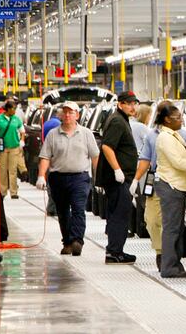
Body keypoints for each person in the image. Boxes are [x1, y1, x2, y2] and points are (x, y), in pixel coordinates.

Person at [130, 100, 186, 271]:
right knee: (152, 220)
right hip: (156, 180)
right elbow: (145, 159)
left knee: (171, 224)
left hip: (175, 182)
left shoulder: (184, 135)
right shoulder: (152, 135)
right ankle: (163, 253)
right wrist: (136, 179)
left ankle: (166, 256)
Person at [36, 102, 99, 256]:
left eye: (71, 112)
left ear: (77, 115)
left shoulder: (86, 134)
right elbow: (45, 157)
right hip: (58, 178)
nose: (67, 115)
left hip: (80, 178)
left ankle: (77, 240)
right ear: (61, 115)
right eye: (65, 112)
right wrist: (41, 176)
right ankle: (67, 242)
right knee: (63, 212)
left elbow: (95, 156)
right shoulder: (52, 134)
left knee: (78, 209)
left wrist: (98, 178)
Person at [153, 102, 186, 278]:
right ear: (167, 119)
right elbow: (179, 162)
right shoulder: (164, 138)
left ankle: (175, 264)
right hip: (170, 185)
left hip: (177, 186)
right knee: (171, 228)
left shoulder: (175, 135)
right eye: (177, 117)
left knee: (177, 228)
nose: (181, 120)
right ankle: (168, 267)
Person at [96, 91, 140, 265]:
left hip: (122, 178)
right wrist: (117, 170)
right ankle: (114, 252)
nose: (132, 106)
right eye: (129, 103)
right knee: (119, 215)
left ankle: (116, 250)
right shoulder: (117, 121)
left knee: (119, 213)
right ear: (120, 104)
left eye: (134, 103)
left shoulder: (121, 119)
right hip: (118, 179)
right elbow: (107, 146)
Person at [0, 100, 27, 199]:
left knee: (13, 170)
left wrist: (22, 141)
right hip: (3, 147)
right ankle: (2, 192)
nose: (15, 111)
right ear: (7, 109)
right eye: (13, 109)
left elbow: (22, 131)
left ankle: (13, 192)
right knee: (2, 170)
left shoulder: (16, 119)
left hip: (14, 147)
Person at [42, 107, 64, 217]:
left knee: (50, 183)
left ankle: (51, 208)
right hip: (56, 156)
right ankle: (52, 208)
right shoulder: (58, 125)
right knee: (56, 185)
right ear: (60, 116)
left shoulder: (46, 123)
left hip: (46, 154)